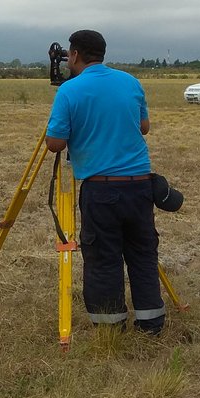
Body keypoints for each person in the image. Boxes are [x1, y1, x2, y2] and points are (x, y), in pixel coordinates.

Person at [45, 30, 164, 335]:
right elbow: (144, 127)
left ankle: (110, 328)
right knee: (142, 254)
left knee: (103, 257)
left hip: (101, 189)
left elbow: (55, 143)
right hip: (140, 185)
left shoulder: (70, 91)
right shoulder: (130, 82)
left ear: (73, 56)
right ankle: (151, 324)